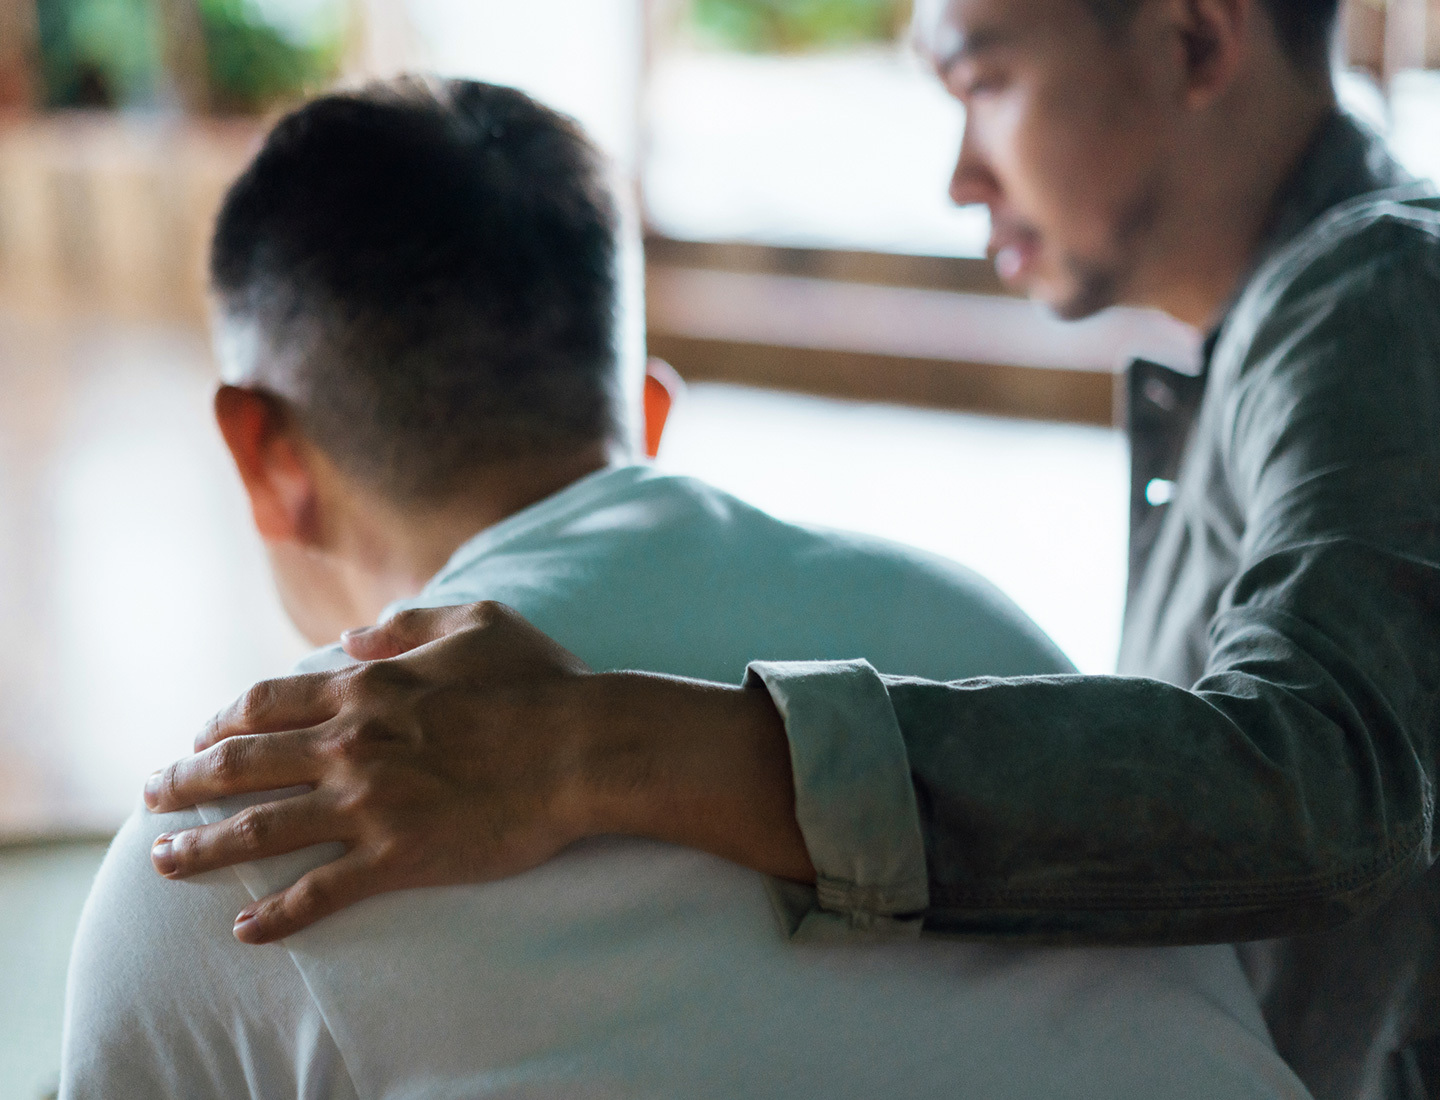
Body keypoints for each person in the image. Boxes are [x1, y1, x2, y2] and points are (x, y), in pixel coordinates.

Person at [142, 0, 1440, 1094]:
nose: (959, 175)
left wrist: (592, 747)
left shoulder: (1382, 295)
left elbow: (1325, 781)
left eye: (984, 80)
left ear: (1196, 41)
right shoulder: (1297, 334)